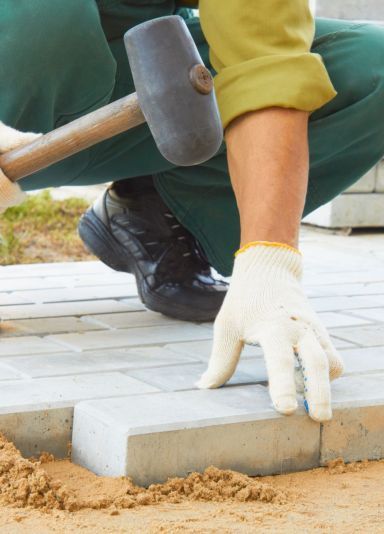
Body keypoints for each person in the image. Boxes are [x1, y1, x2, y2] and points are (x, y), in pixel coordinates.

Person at [1, 1, 384, 422]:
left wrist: (269, 259)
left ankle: (157, 210)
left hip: (123, 85)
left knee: (371, 67)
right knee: (45, 19)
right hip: (21, 71)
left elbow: (265, 59)